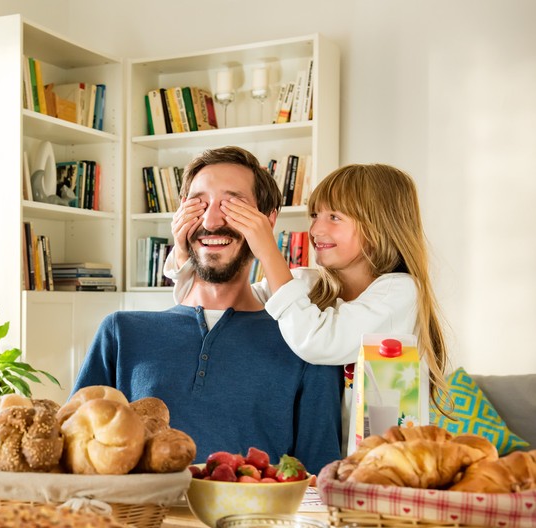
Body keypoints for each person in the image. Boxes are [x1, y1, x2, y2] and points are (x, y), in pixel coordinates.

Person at [73, 146, 344, 474]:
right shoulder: (121, 332)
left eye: (233, 205)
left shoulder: (307, 345)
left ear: (268, 220)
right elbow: (73, 455)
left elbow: (318, 481)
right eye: (198, 204)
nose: (211, 221)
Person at [165, 162, 452, 451]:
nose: (315, 229)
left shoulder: (399, 292)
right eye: (315, 215)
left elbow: (320, 341)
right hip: (331, 463)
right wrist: (184, 249)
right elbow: (224, 305)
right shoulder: (309, 284)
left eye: (334, 217)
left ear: (380, 225)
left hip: (387, 464)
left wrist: (268, 251)